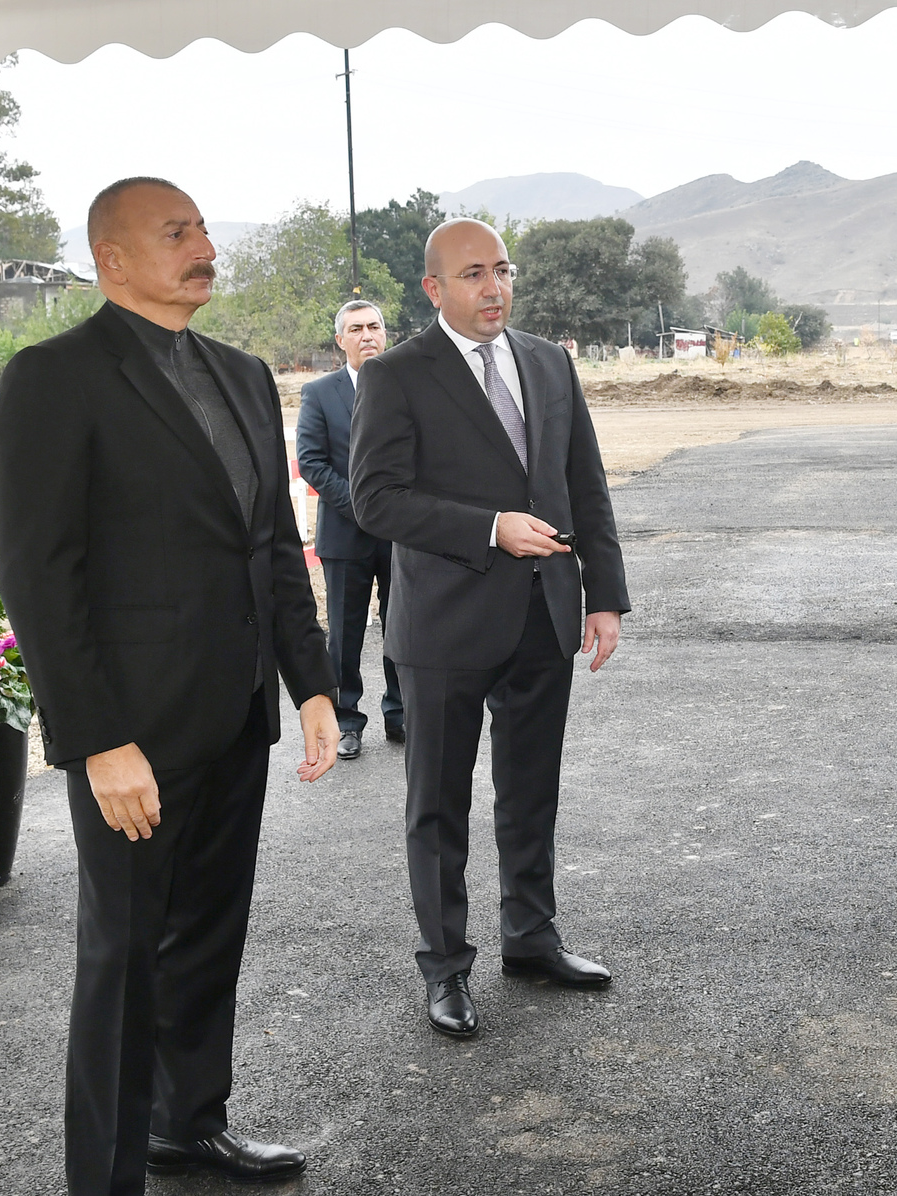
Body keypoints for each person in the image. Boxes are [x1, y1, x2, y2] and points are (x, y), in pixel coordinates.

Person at [0, 176, 339, 1195]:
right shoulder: (53, 379)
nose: (203, 247)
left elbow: (270, 544)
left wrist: (311, 684)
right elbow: (39, 575)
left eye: (203, 229)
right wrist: (98, 739)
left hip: (235, 714)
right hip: (133, 731)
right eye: (176, 232)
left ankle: (188, 1125)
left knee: (209, 939)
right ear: (113, 259)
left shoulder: (242, 374)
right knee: (124, 957)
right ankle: (104, 1177)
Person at [349, 218, 630, 1040]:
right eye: (474, 274)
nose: (494, 287)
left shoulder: (548, 362)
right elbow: (376, 500)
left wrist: (604, 595)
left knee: (531, 791)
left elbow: (584, 482)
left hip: (545, 614)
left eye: (502, 270)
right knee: (437, 806)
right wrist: (490, 528)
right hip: (444, 627)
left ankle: (531, 938)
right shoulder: (396, 375)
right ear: (434, 288)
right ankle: (445, 967)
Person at [297, 300, 401, 760]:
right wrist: (364, 508)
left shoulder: (407, 386)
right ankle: (346, 721)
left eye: (374, 326)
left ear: (385, 334)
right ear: (341, 340)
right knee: (344, 635)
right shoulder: (320, 393)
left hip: (401, 533)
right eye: (356, 328)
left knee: (402, 626)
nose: (367, 335)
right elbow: (312, 462)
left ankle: (400, 714)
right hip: (346, 533)